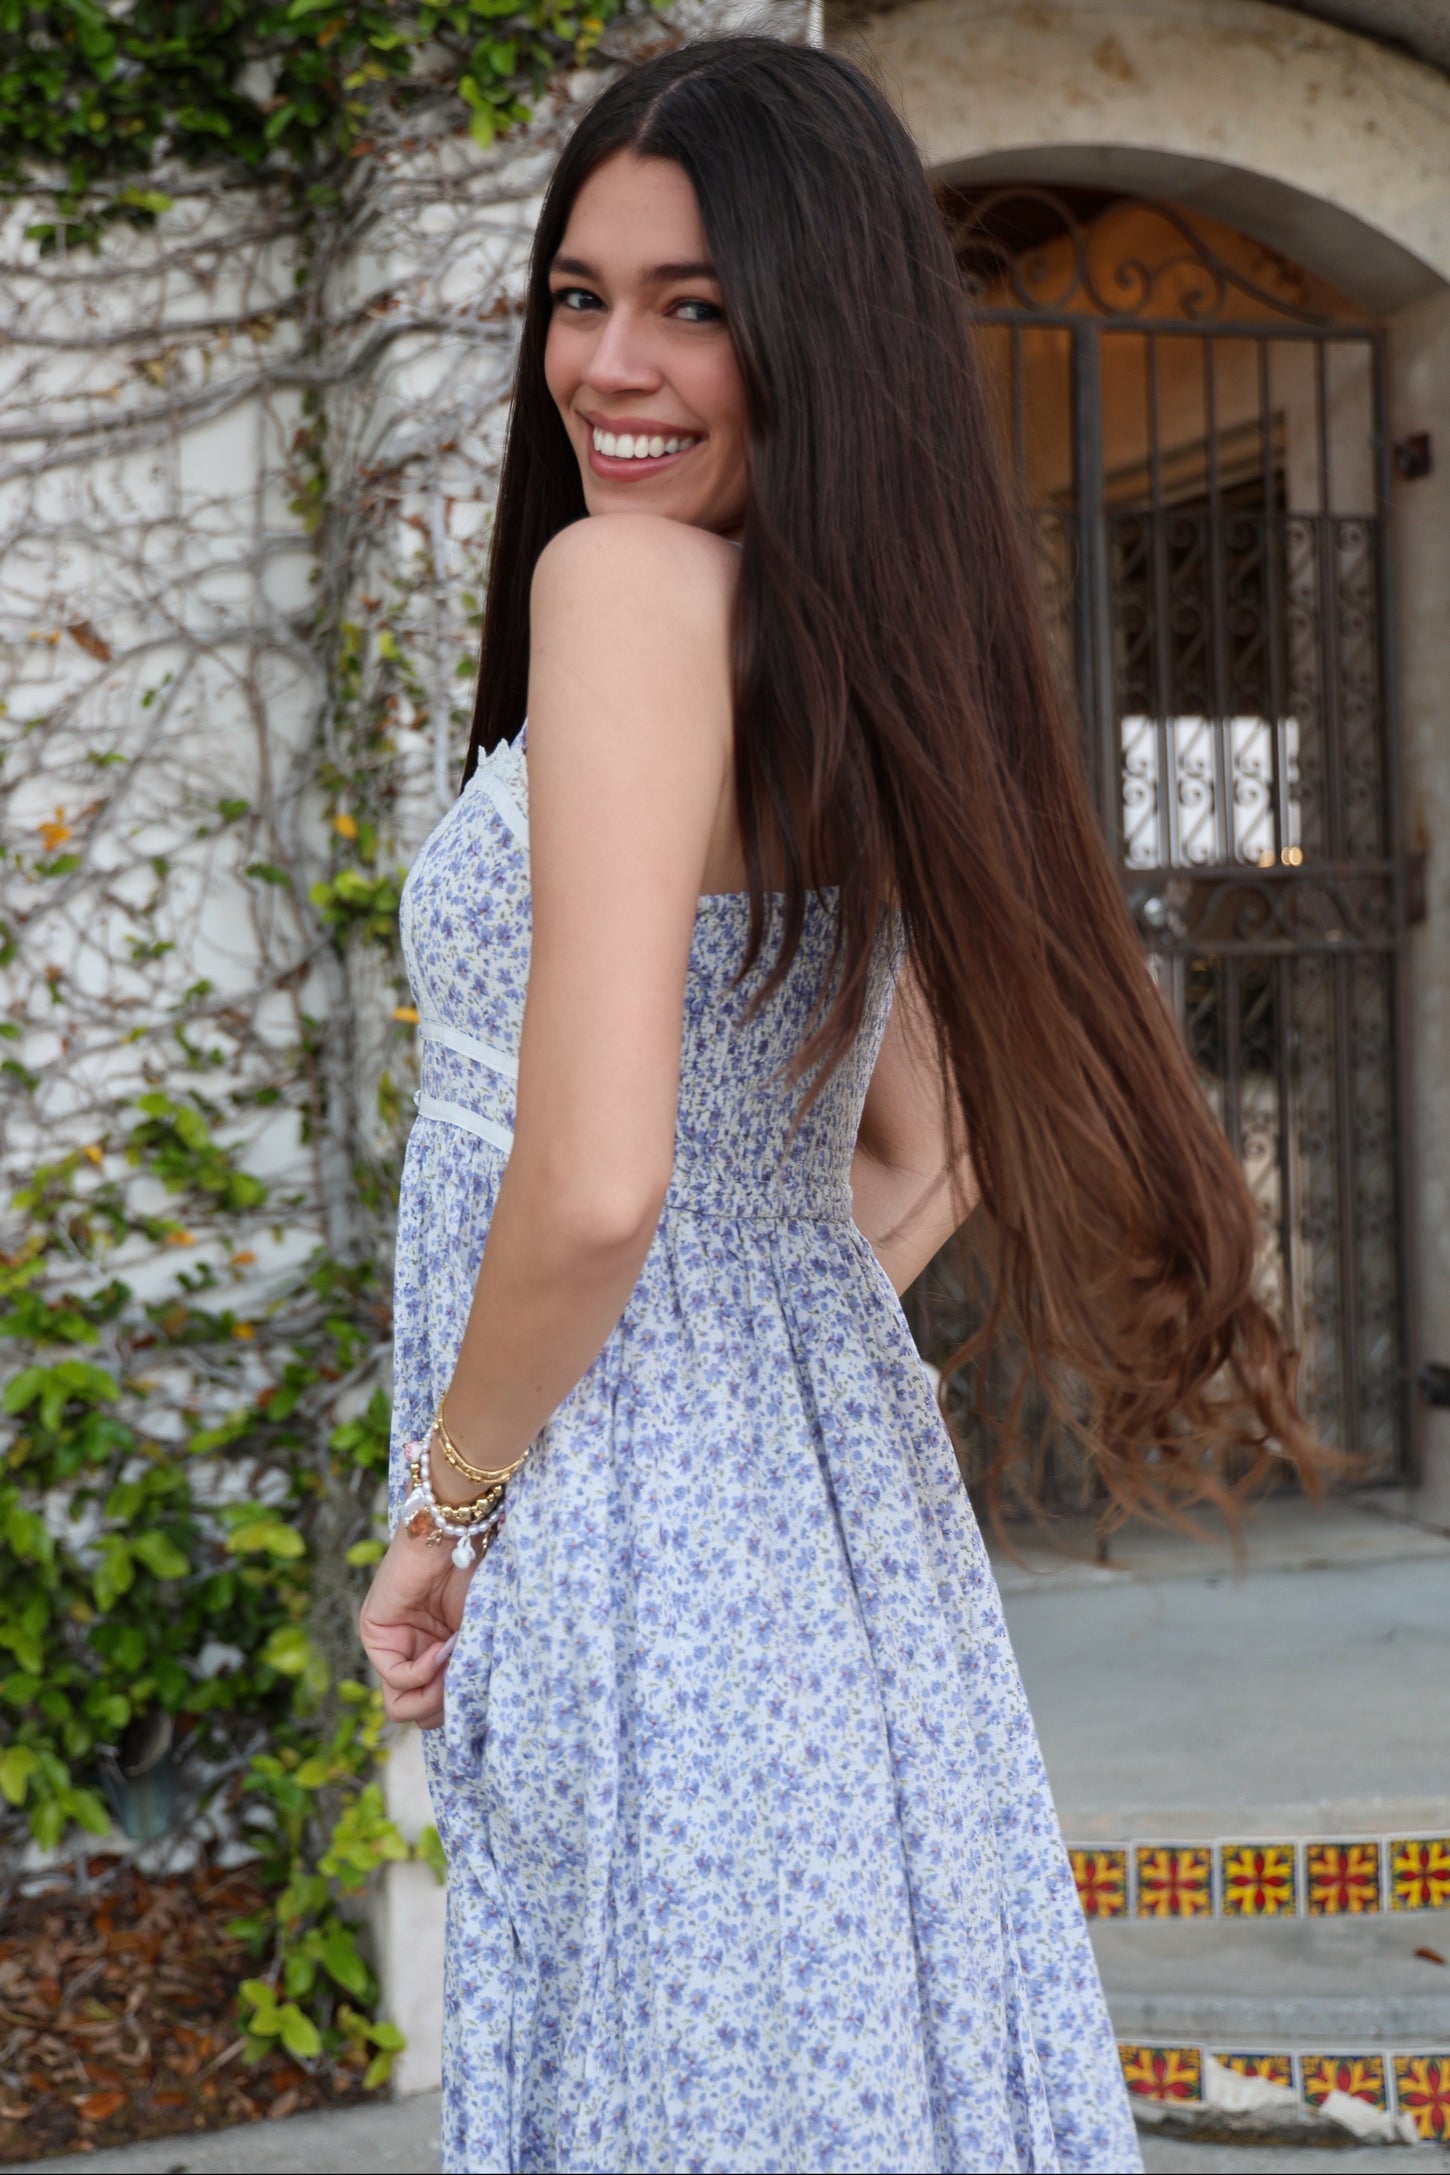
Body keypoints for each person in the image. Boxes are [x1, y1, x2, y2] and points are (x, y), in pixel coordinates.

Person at [359, 36, 1315, 2174]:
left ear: (814, 320)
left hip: (621, 1532)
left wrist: (456, 1500)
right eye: (577, 294)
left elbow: (595, 1182)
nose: (609, 363)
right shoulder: (843, 634)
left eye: (693, 303)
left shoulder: (620, 595)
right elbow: (919, 1145)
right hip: (817, 1514)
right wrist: (723, 1342)